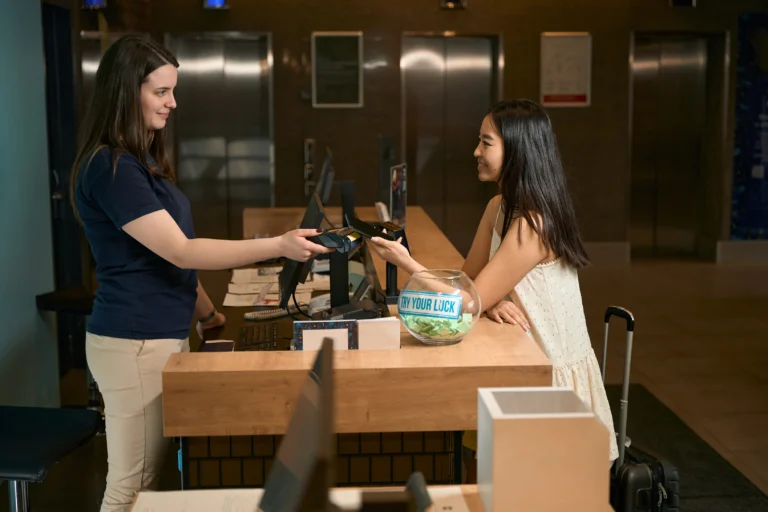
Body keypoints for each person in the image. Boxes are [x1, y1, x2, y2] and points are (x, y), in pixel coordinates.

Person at [70, 35, 331, 511]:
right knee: (130, 486)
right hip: (134, 341)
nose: (173, 102)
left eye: (174, 90)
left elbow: (163, 261)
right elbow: (182, 251)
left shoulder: (141, 161)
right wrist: (278, 245)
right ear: (127, 91)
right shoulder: (112, 169)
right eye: (161, 91)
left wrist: (208, 314)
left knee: (148, 480)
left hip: (158, 335)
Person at [369, 99, 619, 468]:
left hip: (549, 379)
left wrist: (408, 263)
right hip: (521, 367)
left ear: (517, 150)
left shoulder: (534, 223)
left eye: (486, 143)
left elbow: (466, 301)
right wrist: (491, 298)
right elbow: (469, 283)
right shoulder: (499, 207)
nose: (476, 151)